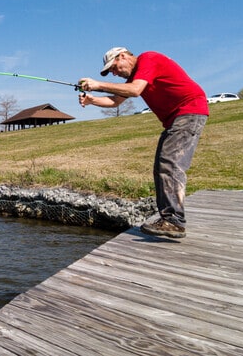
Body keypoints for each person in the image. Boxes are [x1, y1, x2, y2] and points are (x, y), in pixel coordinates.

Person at [79, 48, 209, 238]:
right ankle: (169, 219)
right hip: (177, 118)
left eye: (114, 68)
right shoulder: (137, 76)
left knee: (170, 163)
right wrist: (92, 101)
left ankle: (174, 221)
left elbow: (134, 90)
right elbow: (115, 101)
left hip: (189, 110)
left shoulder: (148, 59)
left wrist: (98, 84)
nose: (114, 73)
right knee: (161, 166)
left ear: (122, 56)